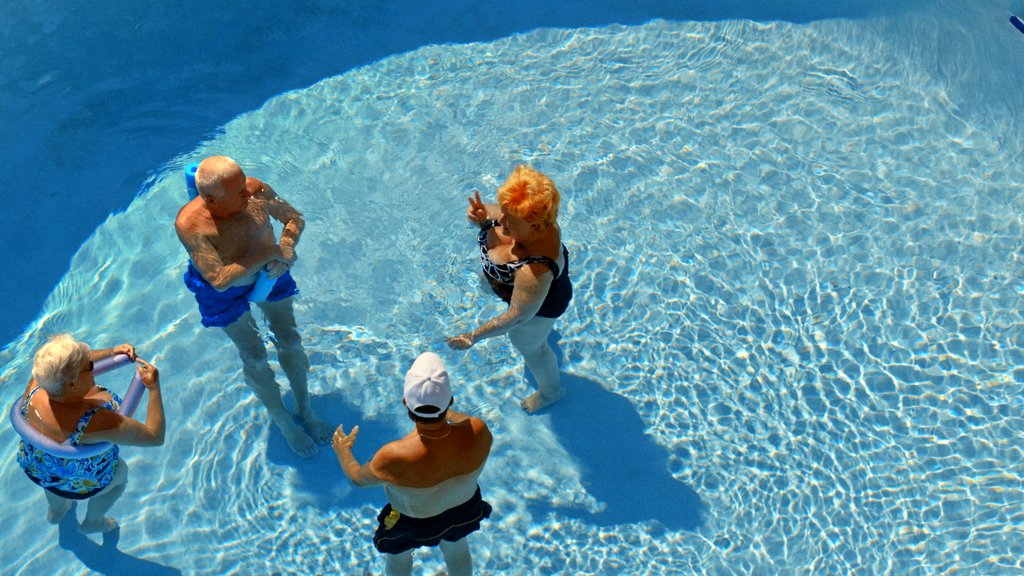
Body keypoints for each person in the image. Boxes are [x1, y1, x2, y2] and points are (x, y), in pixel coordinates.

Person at [175, 155, 330, 457]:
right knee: (255, 356)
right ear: (209, 200)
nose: (250, 193)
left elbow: (294, 218)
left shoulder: (254, 190)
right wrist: (269, 252)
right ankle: (284, 421)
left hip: (271, 271)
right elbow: (218, 279)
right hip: (225, 291)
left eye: (245, 184)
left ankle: (305, 408)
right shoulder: (190, 224)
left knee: (290, 340)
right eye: (239, 193)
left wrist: (285, 248)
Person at [332, 352, 493, 576]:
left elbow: (358, 479)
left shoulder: (394, 456)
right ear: (450, 401)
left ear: (406, 402)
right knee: (457, 547)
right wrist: (440, 407)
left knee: (398, 558)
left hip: (413, 523)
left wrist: (342, 451)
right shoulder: (478, 431)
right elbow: (457, 420)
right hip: (465, 511)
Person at [447, 165, 573, 413]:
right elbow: (491, 215)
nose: (500, 220)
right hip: (510, 286)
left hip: (539, 308)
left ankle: (551, 393)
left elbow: (515, 317)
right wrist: (480, 218)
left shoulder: (534, 271)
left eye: (509, 219)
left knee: (532, 348)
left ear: (535, 227)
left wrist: (473, 337)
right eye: (503, 212)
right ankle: (544, 334)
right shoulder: (525, 220)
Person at [15, 334, 165, 533]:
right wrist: (154, 388)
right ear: (71, 384)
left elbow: (65, 364)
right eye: (90, 367)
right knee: (120, 475)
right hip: (83, 481)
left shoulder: (38, 382)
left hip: (40, 467)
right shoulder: (94, 421)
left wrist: (112, 352)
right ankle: (94, 521)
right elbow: (155, 436)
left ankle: (56, 511)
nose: (93, 367)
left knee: (53, 484)